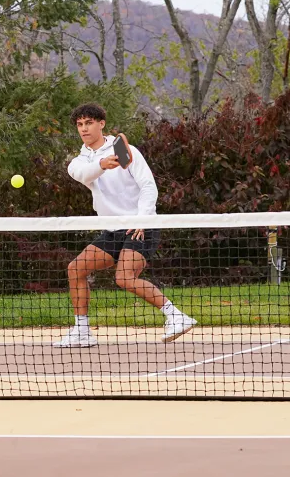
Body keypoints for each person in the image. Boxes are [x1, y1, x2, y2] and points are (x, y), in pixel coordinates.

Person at [55, 102, 196, 348]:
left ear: (101, 124)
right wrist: (102, 165)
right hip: (113, 229)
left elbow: (148, 186)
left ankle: (177, 316)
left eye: (89, 123)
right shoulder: (78, 162)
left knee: (125, 278)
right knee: (75, 269)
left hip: (141, 225)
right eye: (80, 125)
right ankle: (82, 331)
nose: (84, 129)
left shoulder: (129, 151)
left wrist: (142, 218)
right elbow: (85, 174)